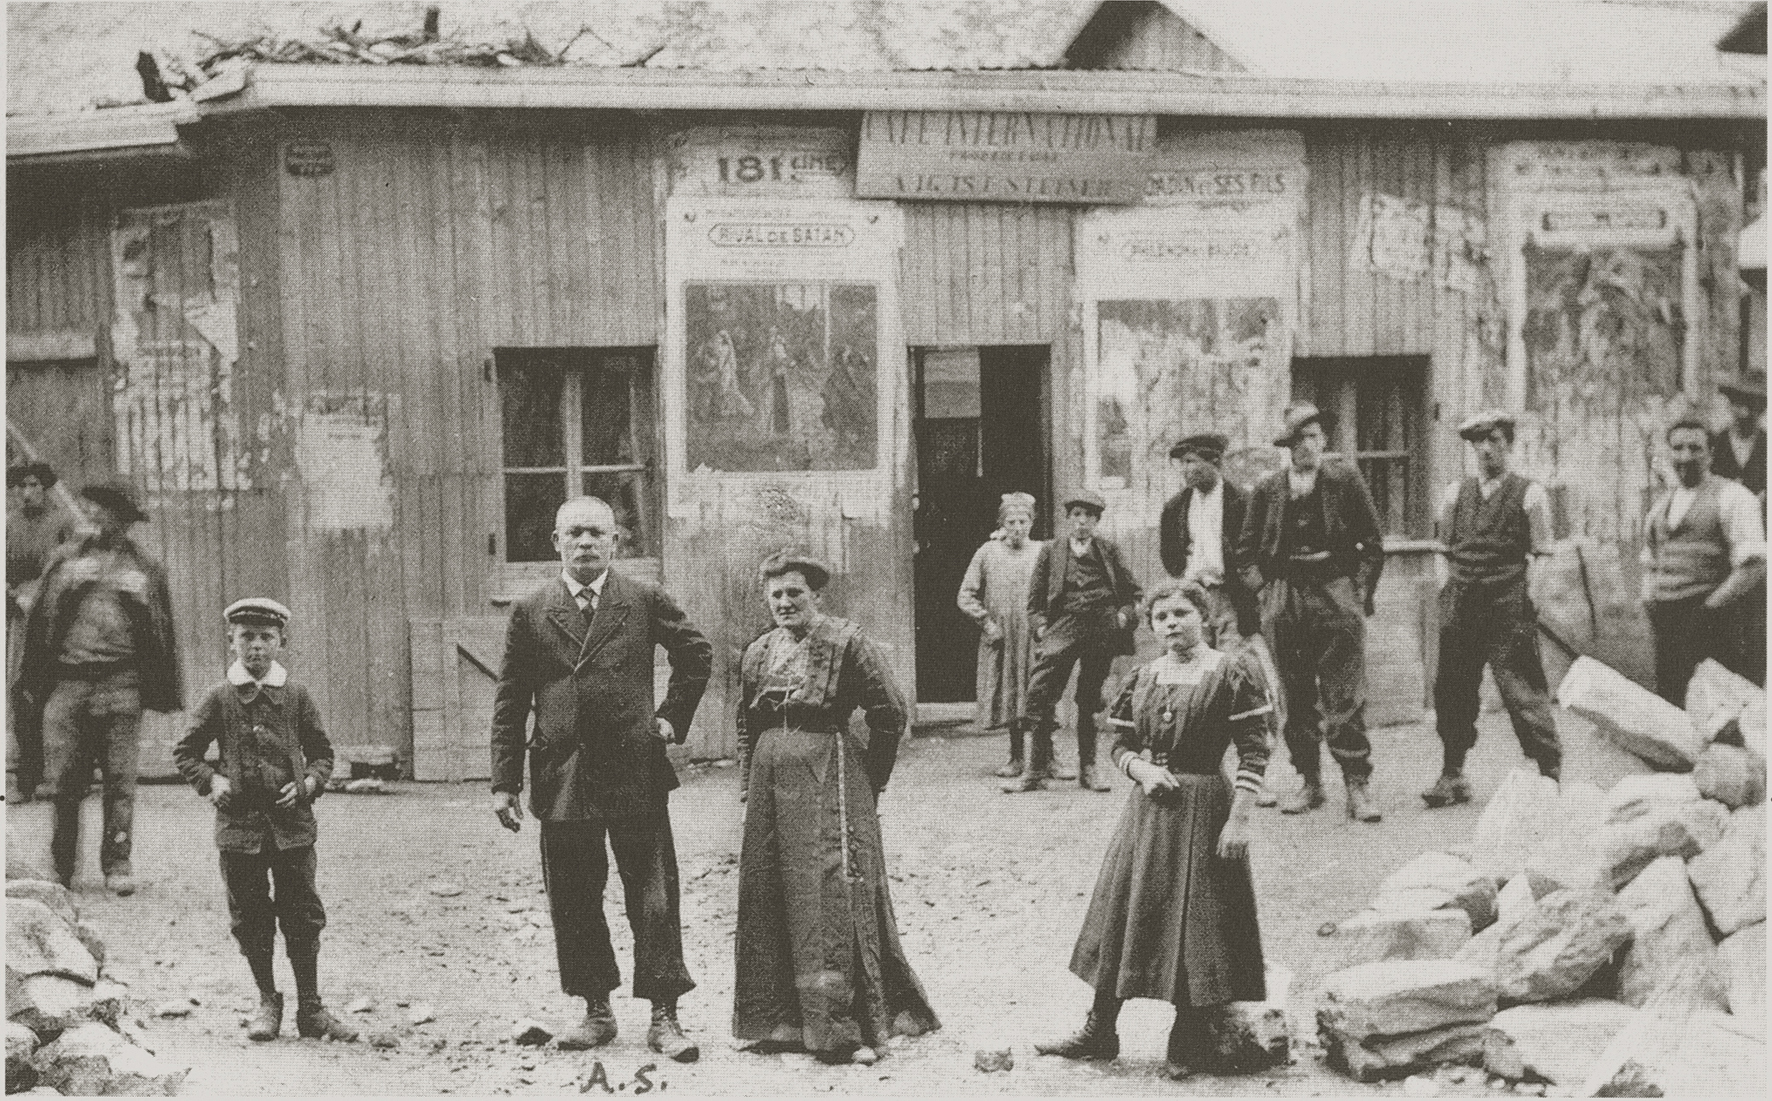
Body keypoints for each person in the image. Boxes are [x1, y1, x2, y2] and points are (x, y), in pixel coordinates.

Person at [489, 496, 713, 1062]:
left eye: (597, 534)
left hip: (634, 770)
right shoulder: (532, 608)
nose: (586, 543)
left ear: (616, 542)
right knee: (574, 896)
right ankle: (596, 1009)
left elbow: (696, 652)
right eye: (575, 534)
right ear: (556, 543)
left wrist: (670, 717)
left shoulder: (640, 599)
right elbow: (511, 699)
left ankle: (665, 1014)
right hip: (562, 774)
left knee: (653, 895)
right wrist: (504, 782)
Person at [1035, 580, 1271, 1081]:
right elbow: (1118, 743)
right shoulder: (1143, 677)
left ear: (1203, 617)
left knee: (1196, 920)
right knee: (1122, 910)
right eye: (1161, 617)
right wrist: (1140, 770)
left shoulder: (1232, 673)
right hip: (1147, 814)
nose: (1171, 624)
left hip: (1206, 807)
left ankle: (1187, 1035)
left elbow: (1255, 748)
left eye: (1181, 613)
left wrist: (1240, 818)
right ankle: (1100, 1029)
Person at [733, 551, 940, 1065]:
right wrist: (746, 781)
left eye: (795, 593)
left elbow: (889, 712)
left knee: (828, 891)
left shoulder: (847, 643)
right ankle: (779, 1022)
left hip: (830, 774)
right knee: (769, 887)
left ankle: (841, 1029)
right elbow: (745, 722)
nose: (785, 603)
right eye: (776, 594)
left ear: (816, 595)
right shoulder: (758, 652)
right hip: (768, 783)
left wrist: (871, 778)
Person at [172, 598, 358, 1043]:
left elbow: (323, 753)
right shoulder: (219, 697)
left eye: (265, 637)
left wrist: (310, 783)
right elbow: (185, 752)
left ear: (281, 641)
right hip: (240, 832)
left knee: (302, 913)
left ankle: (310, 1008)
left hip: (292, 830)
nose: (256, 647)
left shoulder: (295, 695)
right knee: (250, 916)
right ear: (231, 641)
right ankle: (267, 1000)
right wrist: (211, 781)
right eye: (246, 637)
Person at [16, 479, 182, 894]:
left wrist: (141, 602)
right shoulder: (66, 561)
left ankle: (117, 864)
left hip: (122, 683)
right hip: (70, 683)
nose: (96, 517)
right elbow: (41, 620)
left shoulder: (144, 568)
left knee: (120, 779)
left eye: (108, 512)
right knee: (65, 781)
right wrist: (68, 587)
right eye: (95, 509)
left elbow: (160, 630)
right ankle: (62, 868)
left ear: (124, 522)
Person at [1235, 403, 1385, 822]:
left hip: (1334, 592)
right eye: (1298, 440)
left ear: (1323, 441)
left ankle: (1357, 785)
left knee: (1345, 694)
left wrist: (1358, 594)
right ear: (1288, 447)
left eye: (1313, 438)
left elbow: (1372, 544)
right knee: (1296, 695)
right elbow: (1244, 552)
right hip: (1285, 596)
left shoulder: (1345, 479)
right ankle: (1310, 781)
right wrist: (1264, 591)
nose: (1307, 447)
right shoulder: (1269, 489)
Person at [1423, 412, 1562, 809]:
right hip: (1462, 601)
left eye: (1495, 440)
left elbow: (1544, 553)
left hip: (1507, 602)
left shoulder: (1530, 494)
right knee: (1452, 687)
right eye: (1479, 442)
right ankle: (1453, 773)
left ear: (1509, 444)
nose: (1486, 449)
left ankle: (1548, 773)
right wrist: (1445, 587)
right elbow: (1442, 548)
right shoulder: (1456, 493)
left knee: (1521, 687)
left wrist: (1532, 598)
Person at [1015, 490, 1143, 794]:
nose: (1082, 522)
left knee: (1089, 699)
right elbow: (1034, 599)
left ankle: (1089, 769)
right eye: (1077, 515)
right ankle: (1036, 769)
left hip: (1102, 628)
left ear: (1097, 521)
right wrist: (1042, 626)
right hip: (1064, 626)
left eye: (1089, 517)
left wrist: (1123, 617)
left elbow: (1134, 593)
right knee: (1040, 692)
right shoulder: (1052, 550)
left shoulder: (1108, 549)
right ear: (1069, 518)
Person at [1641, 420, 1767, 702]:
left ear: (1711, 453)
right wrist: (1650, 600)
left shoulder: (1733, 497)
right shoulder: (1661, 505)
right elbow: (1650, 561)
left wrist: (1710, 608)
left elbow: (1755, 564)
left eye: (1695, 448)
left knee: (1715, 710)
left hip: (1712, 623)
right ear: (1669, 453)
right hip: (1669, 624)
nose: (1685, 456)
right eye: (1678, 448)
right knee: (1671, 705)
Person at [956, 493, 1046, 778]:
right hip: (1003, 636)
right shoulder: (987, 552)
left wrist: (1046, 624)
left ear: (1032, 522)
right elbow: (965, 595)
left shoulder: (1043, 551)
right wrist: (986, 622)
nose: (1017, 527)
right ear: (1002, 524)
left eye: (1023, 521)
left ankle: (1048, 757)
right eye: (1011, 522)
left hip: (1034, 635)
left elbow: (1056, 593)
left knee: (1041, 692)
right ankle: (1016, 757)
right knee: (1010, 693)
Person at [8, 461, 77, 802]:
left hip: (58, 620)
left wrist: (45, 591)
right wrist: (14, 594)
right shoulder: (8, 525)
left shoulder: (63, 523)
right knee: (22, 693)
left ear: (45, 487)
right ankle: (26, 777)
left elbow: (76, 569)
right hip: (22, 621)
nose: (26, 492)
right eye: (20, 486)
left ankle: (63, 776)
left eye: (33, 484)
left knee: (60, 693)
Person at [1158, 434, 1258, 646]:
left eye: (1191, 461)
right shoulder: (1175, 507)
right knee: (1195, 663)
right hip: (1191, 596)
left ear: (1214, 462)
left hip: (1231, 598)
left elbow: (1253, 552)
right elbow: (1170, 555)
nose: (1185, 469)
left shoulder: (1241, 502)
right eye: (1182, 463)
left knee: (1232, 663)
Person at [1709, 378, 1766, 498]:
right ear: (1730, 405)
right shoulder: (1717, 442)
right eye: (1739, 404)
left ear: (1761, 409)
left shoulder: (1765, 442)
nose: (1745, 412)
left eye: (1751, 405)